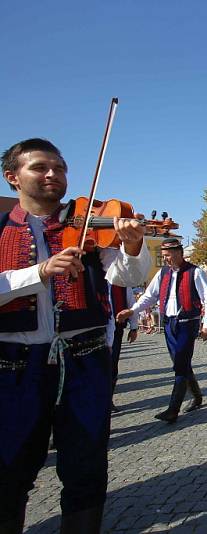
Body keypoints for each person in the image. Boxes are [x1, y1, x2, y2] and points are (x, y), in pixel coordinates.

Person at [0, 138, 150, 532]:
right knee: (9, 468)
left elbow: (129, 278)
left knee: (86, 467)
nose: (53, 174)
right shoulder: (0, 228)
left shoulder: (88, 226)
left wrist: (133, 245)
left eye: (60, 168)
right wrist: (39, 273)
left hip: (84, 359)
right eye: (40, 168)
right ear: (12, 177)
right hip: (13, 364)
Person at [116, 238, 207, 423]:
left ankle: (173, 409)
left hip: (187, 322)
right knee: (181, 362)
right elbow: (149, 296)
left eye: (168, 255)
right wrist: (133, 310)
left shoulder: (195, 272)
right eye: (163, 255)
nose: (165, 259)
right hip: (169, 323)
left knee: (180, 364)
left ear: (178, 253)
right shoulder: (162, 273)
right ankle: (197, 395)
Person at [107, 284, 139, 412]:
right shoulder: (97, 276)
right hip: (98, 328)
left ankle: (108, 398)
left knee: (113, 364)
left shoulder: (123, 282)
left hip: (117, 327)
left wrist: (134, 327)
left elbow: (131, 305)